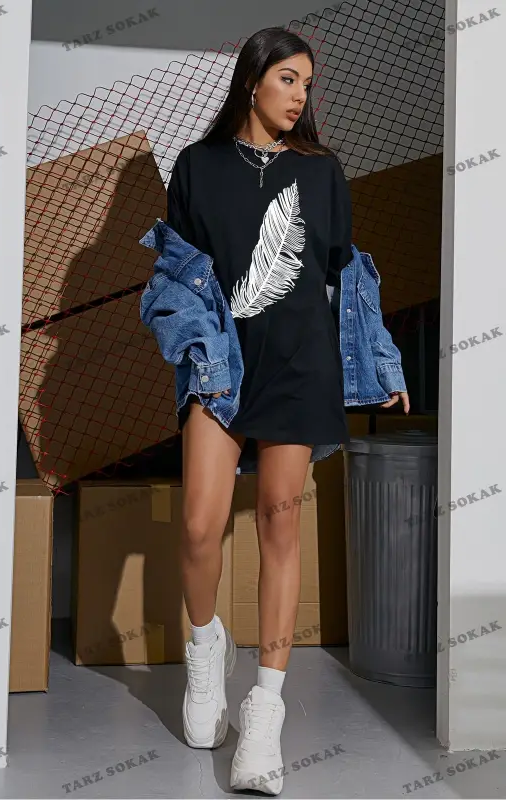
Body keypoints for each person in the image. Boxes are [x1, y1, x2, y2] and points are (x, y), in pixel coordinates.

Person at [141, 26, 409, 796]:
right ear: (252, 79)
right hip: (222, 367)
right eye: (288, 78)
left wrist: (381, 361)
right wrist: (195, 347)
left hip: (299, 367)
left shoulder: (322, 172)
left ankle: (264, 712)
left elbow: (346, 276)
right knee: (199, 525)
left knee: (279, 528)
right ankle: (206, 647)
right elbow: (174, 275)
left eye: (307, 84)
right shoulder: (197, 167)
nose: (300, 95)